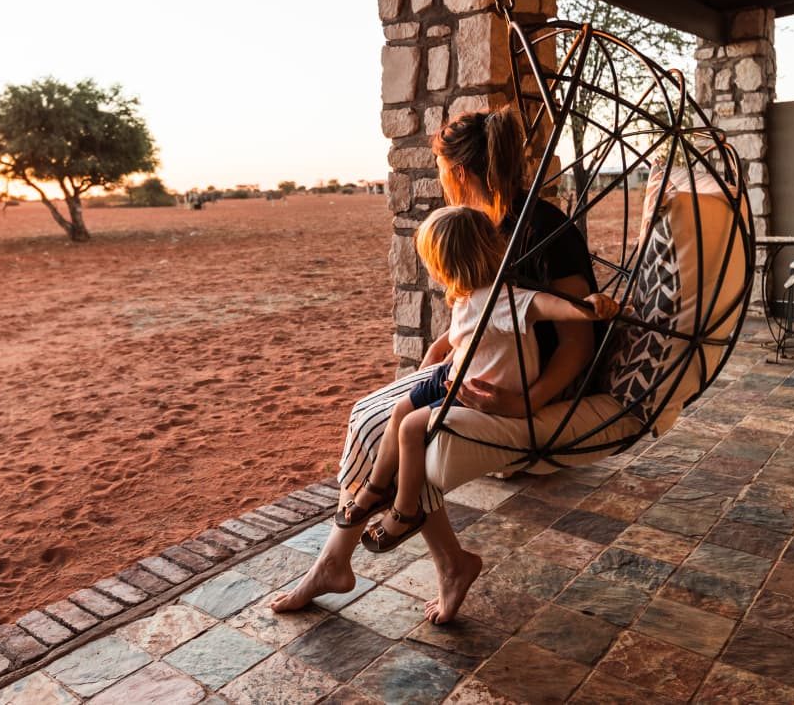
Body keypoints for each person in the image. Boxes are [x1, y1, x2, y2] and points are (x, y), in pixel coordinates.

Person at [272, 108, 642, 624]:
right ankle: (397, 561)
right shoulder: (488, 225)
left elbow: (576, 339)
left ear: (460, 172)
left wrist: (527, 402)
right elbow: (485, 307)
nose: (442, 180)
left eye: (441, 170)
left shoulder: (540, 229)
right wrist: (447, 341)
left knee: (389, 425)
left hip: (541, 384)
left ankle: (365, 557)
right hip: (485, 368)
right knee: (372, 413)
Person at [358, 205, 620, 553]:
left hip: (483, 392)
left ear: (444, 265)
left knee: (411, 428)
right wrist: (442, 355)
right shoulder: (465, 296)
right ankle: (377, 487)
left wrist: (587, 306)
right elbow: (468, 342)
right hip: (457, 376)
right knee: (400, 409)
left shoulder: (503, 300)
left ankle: (406, 511)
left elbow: (550, 305)